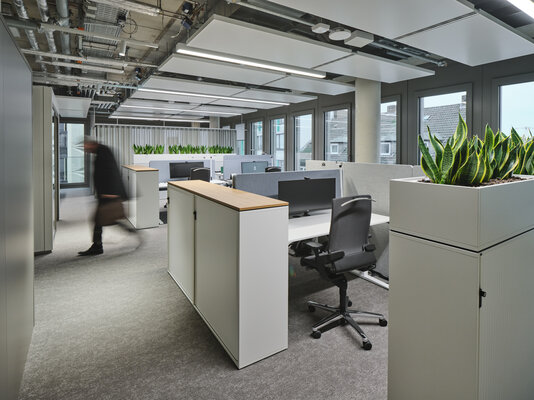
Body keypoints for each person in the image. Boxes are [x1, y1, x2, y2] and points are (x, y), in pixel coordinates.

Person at [78, 139, 133, 256]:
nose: (85, 149)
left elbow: (111, 172)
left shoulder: (104, 151)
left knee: (104, 220)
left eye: (86, 146)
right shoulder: (99, 151)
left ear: (91, 144)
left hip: (109, 194)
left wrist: (110, 192)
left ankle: (98, 246)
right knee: (102, 220)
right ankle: (97, 245)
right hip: (105, 194)